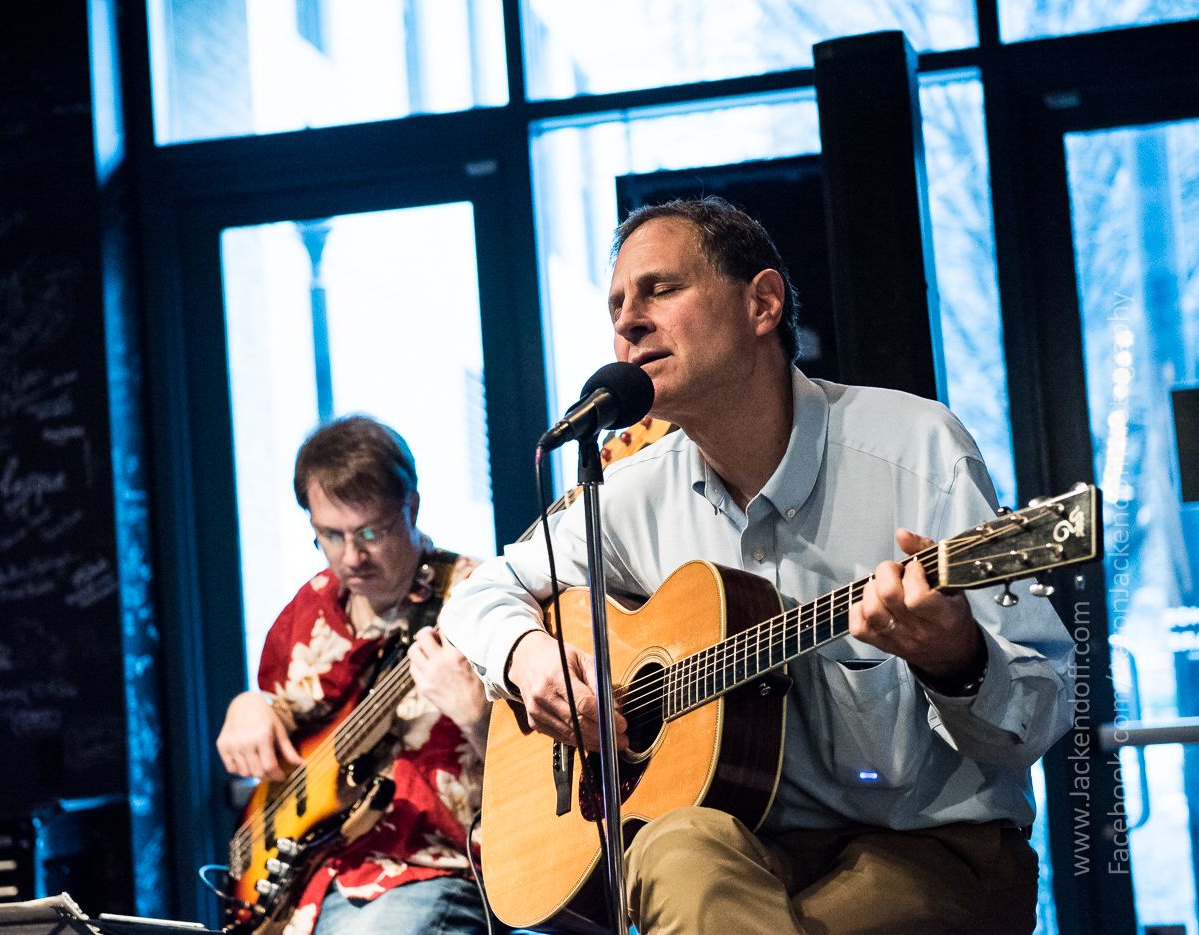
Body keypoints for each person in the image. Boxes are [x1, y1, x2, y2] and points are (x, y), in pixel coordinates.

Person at [439, 197, 1075, 934]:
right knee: (674, 846)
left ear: (762, 304)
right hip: (748, 854)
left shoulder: (917, 450)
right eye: (616, 304)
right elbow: (479, 595)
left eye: (660, 289)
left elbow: (1039, 713)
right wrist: (529, 657)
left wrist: (956, 658)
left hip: (932, 848)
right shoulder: (634, 492)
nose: (629, 322)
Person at [216, 415, 492, 935]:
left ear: (411, 507)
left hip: (433, 869)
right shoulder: (311, 607)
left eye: (371, 532)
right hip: (310, 879)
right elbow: (288, 722)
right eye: (330, 535)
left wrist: (479, 719)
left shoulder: (482, 601)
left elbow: (553, 764)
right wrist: (248, 707)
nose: (352, 557)